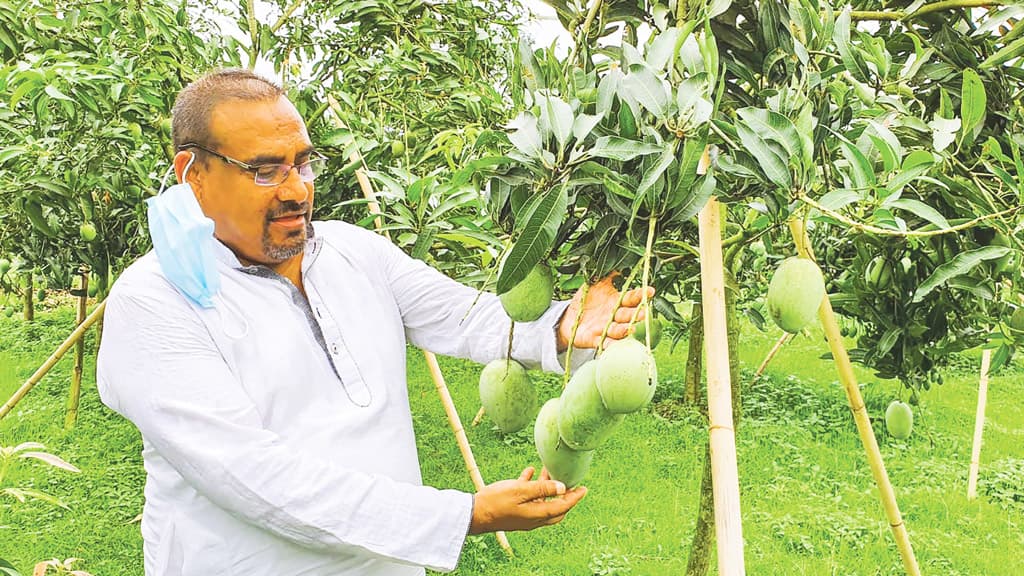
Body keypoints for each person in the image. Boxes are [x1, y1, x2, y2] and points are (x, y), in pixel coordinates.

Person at [96, 68, 653, 576]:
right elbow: (251, 476)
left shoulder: (351, 251)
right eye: (265, 170)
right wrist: (461, 516)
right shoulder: (155, 301)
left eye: (303, 162)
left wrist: (561, 326)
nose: (297, 189)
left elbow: (461, 315)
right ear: (194, 173)